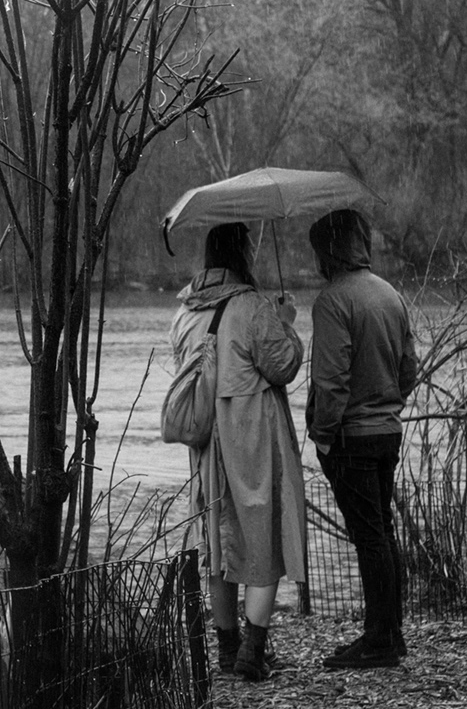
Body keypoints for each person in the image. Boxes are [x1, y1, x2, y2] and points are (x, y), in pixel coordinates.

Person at [169, 222, 307, 682]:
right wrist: (286, 324)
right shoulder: (252, 307)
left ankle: (227, 651)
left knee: (218, 546)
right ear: (242, 254)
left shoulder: (185, 311)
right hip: (252, 436)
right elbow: (282, 366)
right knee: (262, 535)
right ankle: (253, 648)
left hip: (208, 447)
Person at [306, 208, 419, 670]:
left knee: (369, 537)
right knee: (383, 533)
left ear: (327, 251)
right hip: (387, 432)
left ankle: (378, 640)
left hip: (350, 437)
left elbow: (331, 381)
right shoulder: (390, 295)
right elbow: (410, 367)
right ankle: (389, 633)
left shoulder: (333, 301)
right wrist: (387, 401)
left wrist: (322, 434)